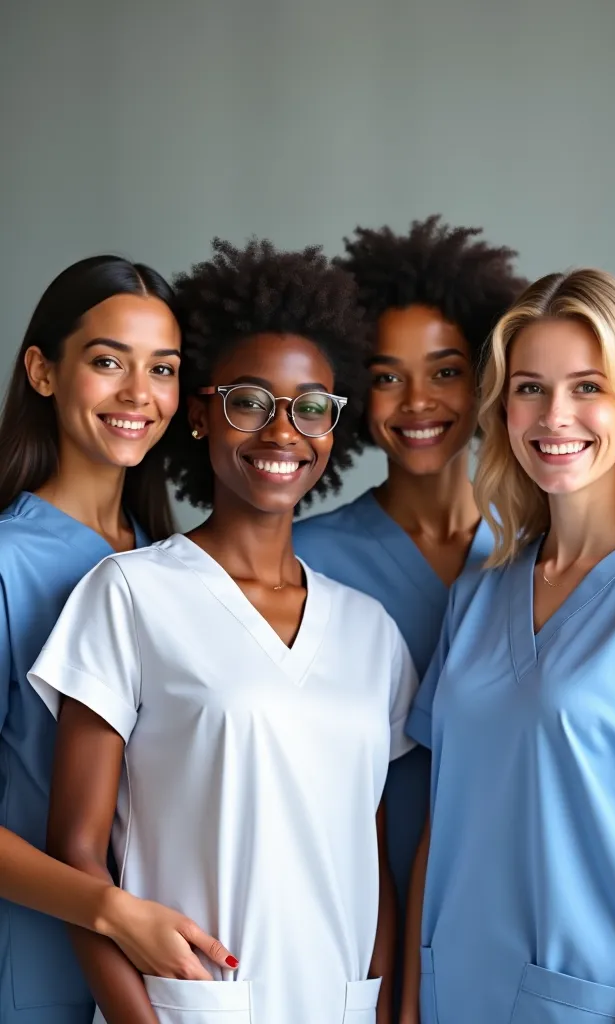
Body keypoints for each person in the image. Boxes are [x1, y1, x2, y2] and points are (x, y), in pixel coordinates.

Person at [28, 238, 418, 1024]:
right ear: (201, 414)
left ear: (333, 429)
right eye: (249, 400)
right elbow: (76, 857)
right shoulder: (129, 595)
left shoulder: (371, 632)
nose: (283, 431)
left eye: (312, 406)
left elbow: (370, 860)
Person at [403, 268, 615, 1023]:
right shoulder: (481, 591)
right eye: (529, 388)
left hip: (594, 1005)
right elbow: (446, 814)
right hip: (453, 995)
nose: (554, 415)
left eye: (587, 386)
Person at [0, 255, 236, 1024]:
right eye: (108, 362)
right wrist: (109, 911)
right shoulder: (8, 563)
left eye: (162, 370)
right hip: (37, 967)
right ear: (42, 370)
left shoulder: (170, 564)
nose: (139, 395)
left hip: (167, 974)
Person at [293, 216, 526, 986]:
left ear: (488, 378)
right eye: (388, 375)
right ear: (357, 391)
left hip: (508, 895)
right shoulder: (306, 556)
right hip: (344, 902)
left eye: (446, 371)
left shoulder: (544, 556)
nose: (417, 401)